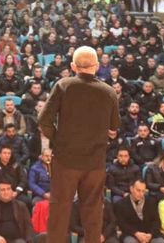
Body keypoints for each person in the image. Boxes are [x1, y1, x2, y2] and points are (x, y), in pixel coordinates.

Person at [38, 46, 120, 243]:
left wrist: (57, 141)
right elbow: (114, 128)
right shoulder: (109, 91)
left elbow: (43, 120)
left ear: (73, 66)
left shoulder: (63, 85)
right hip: (95, 163)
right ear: (98, 66)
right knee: (93, 214)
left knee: (59, 212)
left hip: (65, 160)